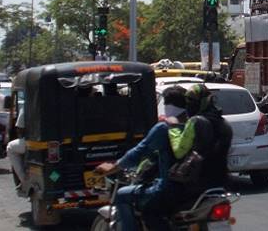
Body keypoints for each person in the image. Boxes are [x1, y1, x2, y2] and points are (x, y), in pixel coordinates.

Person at [95, 84, 231, 231]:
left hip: (171, 186)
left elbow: (139, 152)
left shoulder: (166, 127)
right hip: (204, 186)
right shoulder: (206, 125)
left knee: (123, 196)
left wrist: (115, 166)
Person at [7, 103, 26, 194]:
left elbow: (20, 128)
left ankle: (24, 180)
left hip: (36, 142)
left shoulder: (28, 105)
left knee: (10, 147)